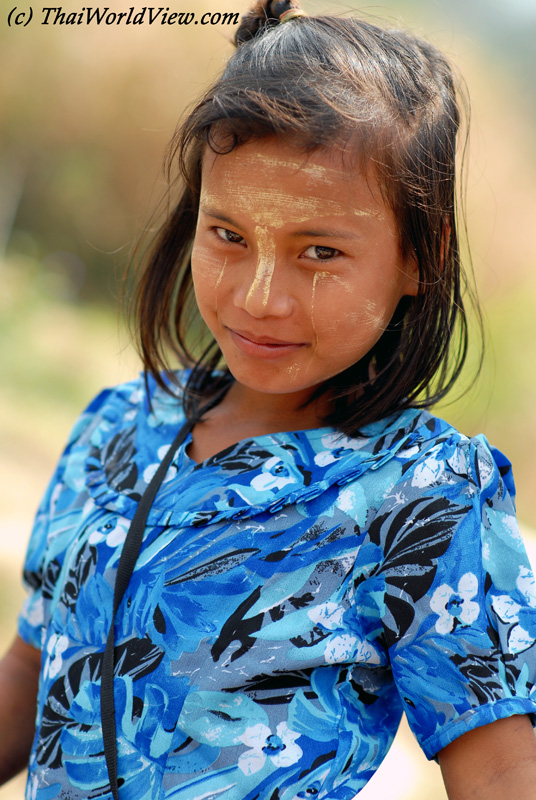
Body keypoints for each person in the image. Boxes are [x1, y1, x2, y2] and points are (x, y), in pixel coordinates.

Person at [2, 1, 536, 798]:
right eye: (228, 236)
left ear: (419, 258)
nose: (261, 298)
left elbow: (499, 768)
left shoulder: (425, 494)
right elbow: (33, 671)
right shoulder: (117, 427)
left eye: (318, 251)